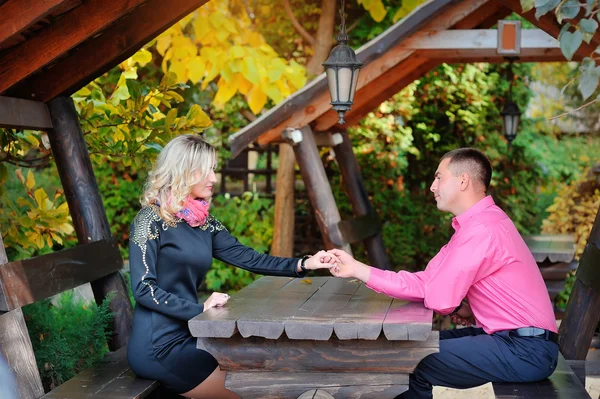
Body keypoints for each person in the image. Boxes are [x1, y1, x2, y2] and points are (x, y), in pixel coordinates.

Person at [326, 148, 558, 399]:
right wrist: (358, 269)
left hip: (524, 349)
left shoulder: (481, 229)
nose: (432, 186)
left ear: (463, 181)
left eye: (439, 177)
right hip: (515, 341)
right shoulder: (477, 224)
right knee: (410, 348)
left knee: (412, 361)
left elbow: (439, 299)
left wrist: (454, 304)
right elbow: (426, 283)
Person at [127, 134, 334, 399]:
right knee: (257, 389)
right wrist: (199, 308)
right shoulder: (150, 220)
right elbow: (143, 288)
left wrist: (305, 263)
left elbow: (250, 258)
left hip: (193, 336)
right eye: (207, 170)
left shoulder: (202, 222)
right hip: (159, 347)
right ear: (185, 171)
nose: (214, 178)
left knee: (263, 365)